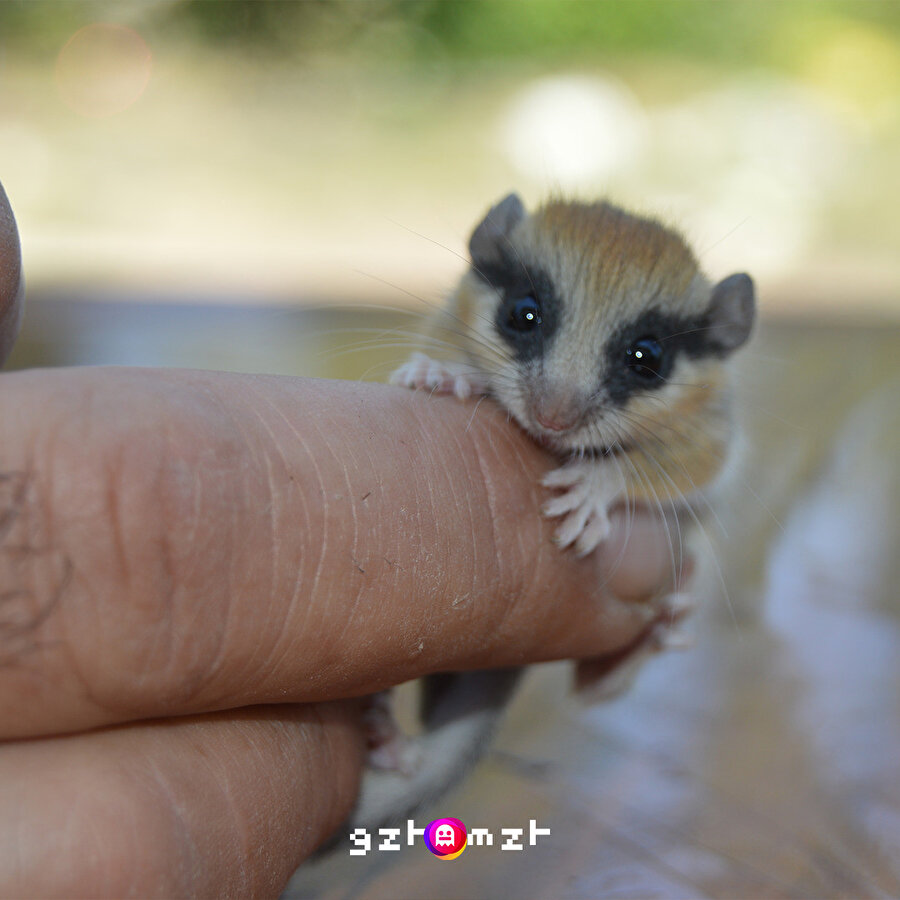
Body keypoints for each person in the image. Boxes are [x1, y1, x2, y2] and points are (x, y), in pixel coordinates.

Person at [0, 183, 684, 897]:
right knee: (380, 628)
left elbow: (701, 465)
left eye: (638, 363)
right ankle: (383, 725)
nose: (558, 407)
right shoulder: (462, 325)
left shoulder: (688, 414)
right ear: (489, 256)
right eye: (528, 320)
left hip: (542, 636)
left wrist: (622, 489)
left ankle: (392, 741)